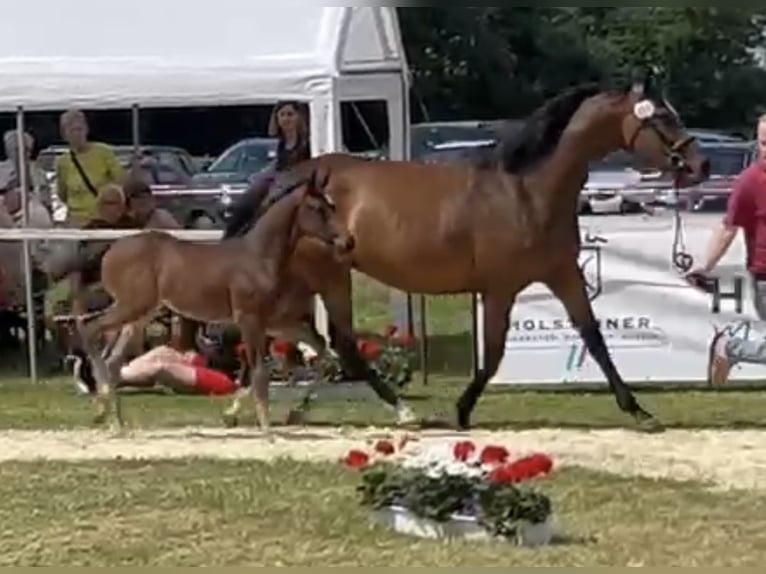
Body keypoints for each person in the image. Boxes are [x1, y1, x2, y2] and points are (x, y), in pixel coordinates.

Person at [687, 114, 766, 385]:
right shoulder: (749, 182)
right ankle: (730, 348)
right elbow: (728, 228)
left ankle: (729, 348)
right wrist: (706, 265)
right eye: (763, 143)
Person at [71, 320, 245, 397]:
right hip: (209, 363)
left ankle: (102, 380)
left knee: (161, 367)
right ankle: (110, 377)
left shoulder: (240, 321)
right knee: (161, 352)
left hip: (228, 379)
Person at [54, 109, 125, 226]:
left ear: (86, 130)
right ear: (64, 135)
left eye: (79, 129)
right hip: (76, 219)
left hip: (102, 219)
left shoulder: (103, 152)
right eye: (72, 131)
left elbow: (120, 181)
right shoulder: (63, 162)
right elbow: (62, 194)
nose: (77, 134)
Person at [268, 100, 311, 171]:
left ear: (299, 117)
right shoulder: (275, 144)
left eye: (290, 114)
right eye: (282, 114)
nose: (285, 119)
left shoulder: (308, 144)